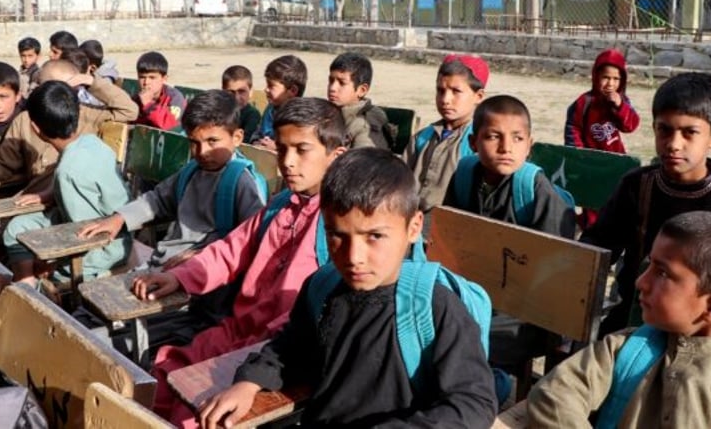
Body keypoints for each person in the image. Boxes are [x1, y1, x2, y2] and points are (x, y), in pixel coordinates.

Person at [198, 148, 498, 429]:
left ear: (414, 228)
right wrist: (249, 383)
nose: (353, 257)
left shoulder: (433, 306)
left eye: (375, 236)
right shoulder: (322, 287)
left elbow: (474, 402)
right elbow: (290, 348)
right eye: (337, 236)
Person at [121, 97, 345, 425]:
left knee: (195, 411)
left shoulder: (340, 224)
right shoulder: (280, 204)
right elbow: (230, 250)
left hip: (279, 348)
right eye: (282, 149)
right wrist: (181, 277)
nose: (288, 162)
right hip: (237, 329)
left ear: (335, 156)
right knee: (165, 373)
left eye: (302, 149)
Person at [528, 211, 711, 427]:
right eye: (649, 266)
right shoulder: (623, 349)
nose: (641, 281)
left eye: (662, 272)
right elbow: (554, 395)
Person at [582, 71, 711, 335]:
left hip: (702, 332)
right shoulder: (636, 186)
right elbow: (597, 245)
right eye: (664, 130)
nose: (674, 144)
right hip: (633, 319)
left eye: (690, 133)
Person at [79, 90, 267, 269]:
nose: (202, 152)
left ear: (237, 137)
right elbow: (157, 200)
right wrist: (120, 217)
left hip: (203, 274)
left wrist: (203, 254)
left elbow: (248, 239)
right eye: (194, 143)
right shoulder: (191, 171)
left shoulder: (242, 182)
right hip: (165, 262)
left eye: (212, 141)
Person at [1, 80, 131, 285]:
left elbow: (81, 232)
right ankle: (27, 283)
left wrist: (49, 261)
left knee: (42, 261)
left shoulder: (67, 172)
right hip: (110, 227)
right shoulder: (90, 142)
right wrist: (48, 194)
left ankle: (35, 291)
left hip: (103, 249)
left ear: (36, 128)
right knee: (18, 227)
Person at [0, 59, 138, 206]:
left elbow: (129, 111)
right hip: (31, 201)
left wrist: (92, 81)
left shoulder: (89, 115)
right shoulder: (25, 120)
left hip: (70, 202)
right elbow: (2, 161)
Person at [445, 94, 575, 237]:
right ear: (473, 143)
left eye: (517, 139)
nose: (506, 148)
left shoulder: (535, 189)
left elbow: (557, 252)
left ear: (528, 146)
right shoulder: (464, 175)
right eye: (493, 137)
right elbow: (449, 233)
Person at [404, 54, 488, 213]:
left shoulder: (477, 145)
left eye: (456, 91)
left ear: (479, 96)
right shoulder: (422, 137)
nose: (445, 99)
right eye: (440, 90)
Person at [564, 48, 640, 154]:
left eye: (616, 79)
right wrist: (579, 154)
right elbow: (573, 129)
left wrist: (620, 106)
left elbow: (630, 126)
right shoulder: (584, 102)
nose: (610, 83)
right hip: (591, 159)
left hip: (615, 157)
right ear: (596, 77)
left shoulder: (621, 101)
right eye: (606, 77)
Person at [327, 52, 392, 149]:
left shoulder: (366, 125)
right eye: (331, 81)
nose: (332, 88)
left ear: (362, 90)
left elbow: (365, 161)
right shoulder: (328, 112)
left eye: (342, 83)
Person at [250, 54, 307, 152]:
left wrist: (277, 148)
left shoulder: (301, 117)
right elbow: (258, 132)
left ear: (293, 90)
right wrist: (256, 142)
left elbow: (299, 149)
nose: (266, 90)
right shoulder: (270, 109)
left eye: (271, 86)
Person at [132, 51, 186, 131]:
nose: (146, 82)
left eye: (152, 77)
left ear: (164, 79)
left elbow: (169, 126)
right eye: (142, 77)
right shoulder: (137, 98)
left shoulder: (175, 98)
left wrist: (148, 105)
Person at [221, 65, 260, 143]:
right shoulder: (219, 111)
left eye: (242, 92)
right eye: (231, 92)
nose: (236, 97)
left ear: (251, 91)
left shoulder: (252, 115)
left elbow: (244, 142)